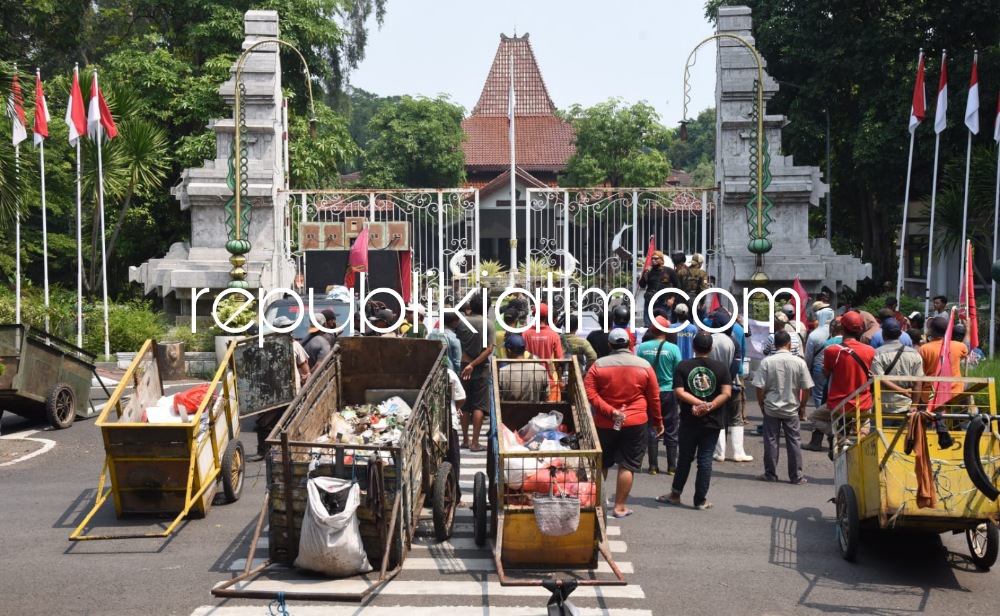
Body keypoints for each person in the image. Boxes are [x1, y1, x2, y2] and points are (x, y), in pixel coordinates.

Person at [584, 328, 663, 519]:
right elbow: (654, 397)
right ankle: (620, 507)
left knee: (601, 463)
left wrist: (610, 411)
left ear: (610, 345)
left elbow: (590, 394)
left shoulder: (598, 366)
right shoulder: (643, 366)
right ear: (629, 344)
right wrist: (657, 421)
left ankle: (596, 505)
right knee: (627, 465)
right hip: (635, 421)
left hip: (605, 422)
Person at [656, 331, 732, 510]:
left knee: (684, 458)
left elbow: (679, 392)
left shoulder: (684, 366)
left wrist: (698, 404)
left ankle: (675, 494)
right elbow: (726, 393)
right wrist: (709, 405)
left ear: (693, 346)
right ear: (711, 348)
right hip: (713, 420)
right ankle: (700, 500)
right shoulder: (721, 367)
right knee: (705, 460)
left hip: (689, 420)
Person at [807, 310, 875, 458]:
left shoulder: (832, 350)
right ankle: (858, 442)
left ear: (842, 329)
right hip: (863, 403)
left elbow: (826, 373)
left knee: (814, 417)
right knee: (864, 424)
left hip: (839, 404)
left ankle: (841, 437)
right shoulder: (870, 350)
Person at [752, 331, 813, 484]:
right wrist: (803, 407)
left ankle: (770, 473)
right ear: (790, 345)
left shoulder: (767, 362)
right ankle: (796, 476)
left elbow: (759, 386)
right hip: (792, 408)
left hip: (771, 407)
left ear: (774, 345)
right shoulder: (799, 362)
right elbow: (806, 388)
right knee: (794, 441)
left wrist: (761, 403)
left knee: (771, 440)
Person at [636, 316, 683, 475]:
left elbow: (638, 371)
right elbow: (678, 372)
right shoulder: (674, 349)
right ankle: (671, 467)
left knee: (651, 426)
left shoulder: (642, 348)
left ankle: (653, 466)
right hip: (669, 392)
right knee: (671, 427)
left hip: (649, 393)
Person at [707, 309, 751, 463]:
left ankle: (720, 453)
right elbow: (736, 364)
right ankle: (738, 452)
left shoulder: (709, 340)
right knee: (736, 418)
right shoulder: (733, 341)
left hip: (712, 385)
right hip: (732, 385)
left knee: (719, 417)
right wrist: (728, 380)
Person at [455, 291, 495, 452]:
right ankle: (475, 442)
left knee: (464, 404)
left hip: (463, 365)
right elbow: (489, 350)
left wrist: (468, 364)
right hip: (480, 368)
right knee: (479, 405)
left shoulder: (462, 323)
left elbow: (459, 344)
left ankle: (465, 439)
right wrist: (473, 364)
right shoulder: (488, 324)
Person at [870, 318, 924, 415]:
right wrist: (914, 405)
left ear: (883, 334)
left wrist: (903, 391)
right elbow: (918, 382)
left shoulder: (876, 354)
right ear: (900, 334)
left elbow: (880, 379)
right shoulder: (914, 354)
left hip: (883, 406)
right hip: (907, 406)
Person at [802, 302, 835, 452]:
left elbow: (808, 355)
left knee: (819, 399)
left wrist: (806, 369)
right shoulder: (839, 332)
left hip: (818, 370)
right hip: (836, 372)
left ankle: (820, 430)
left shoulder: (815, 334)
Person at [919, 316, 968, 399]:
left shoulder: (924, 349)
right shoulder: (960, 346)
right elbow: (967, 347)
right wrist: (968, 330)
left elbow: (920, 373)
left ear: (930, 331)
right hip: (954, 394)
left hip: (931, 396)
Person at [497, 334, 550, 402]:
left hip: (510, 411)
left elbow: (498, 398)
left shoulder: (502, 372)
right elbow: (546, 397)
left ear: (509, 351)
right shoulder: (542, 370)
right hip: (537, 411)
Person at [638, 250, 679, 326]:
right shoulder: (648, 271)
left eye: (656, 259)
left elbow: (677, 286)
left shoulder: (669, 271)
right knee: (648, 324)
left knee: (666, 324)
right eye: (652, 259)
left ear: (662, 260)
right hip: (650, 301)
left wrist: (672, 299)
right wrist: (645, 275)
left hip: (664, 302)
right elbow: (642, 285)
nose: (653, 260)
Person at [445, 367, 467, 504]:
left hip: (447, 423)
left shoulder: (448, 373)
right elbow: (461, 398)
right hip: (449, 424)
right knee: (453, 460)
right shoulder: (449, 373)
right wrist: (455, 409)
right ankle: (455, 496)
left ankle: (453, 495)